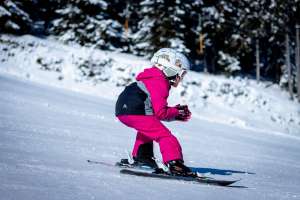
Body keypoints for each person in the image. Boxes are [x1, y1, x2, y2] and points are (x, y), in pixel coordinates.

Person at [115, 48, 193, 176]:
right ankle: (175, 165)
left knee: (147, 131)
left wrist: (174, 113)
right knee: (165, 136)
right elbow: (160, 112)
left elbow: (155, 111)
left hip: (124, 111)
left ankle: (143, 157)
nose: (181, 78)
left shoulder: (151, 77)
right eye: (181, 74)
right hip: (136, 111)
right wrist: (176, 112)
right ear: (170, 69)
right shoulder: (159, 81)